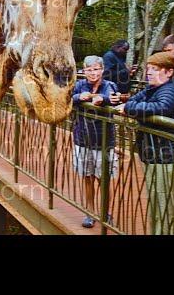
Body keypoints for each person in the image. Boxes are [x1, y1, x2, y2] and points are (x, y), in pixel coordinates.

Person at [113, 52, 174, 235]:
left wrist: (128, 108)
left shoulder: (169, 89)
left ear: (168, 72)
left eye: (155, 69)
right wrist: (130, 105)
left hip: (165, 155)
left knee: (163, 203)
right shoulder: (153, 88)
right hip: (154, 154)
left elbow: (160, 108)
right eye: (149, 69)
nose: (149, 73)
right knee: (157, 201)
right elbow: (135, 99)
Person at [71, 56, 119, 229]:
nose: (93, 73)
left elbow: (114, 99)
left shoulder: (110, 86)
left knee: (104, 179)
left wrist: (102, 100)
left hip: (104, 140)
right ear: (84, 71)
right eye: (89, 69)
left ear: (102, 70)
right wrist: (79, 97)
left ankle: (106, 211)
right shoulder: (79, 85)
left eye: (96, 69)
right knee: (87, 177)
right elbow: (68, 99)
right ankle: (89, 212)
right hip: (83, 139)